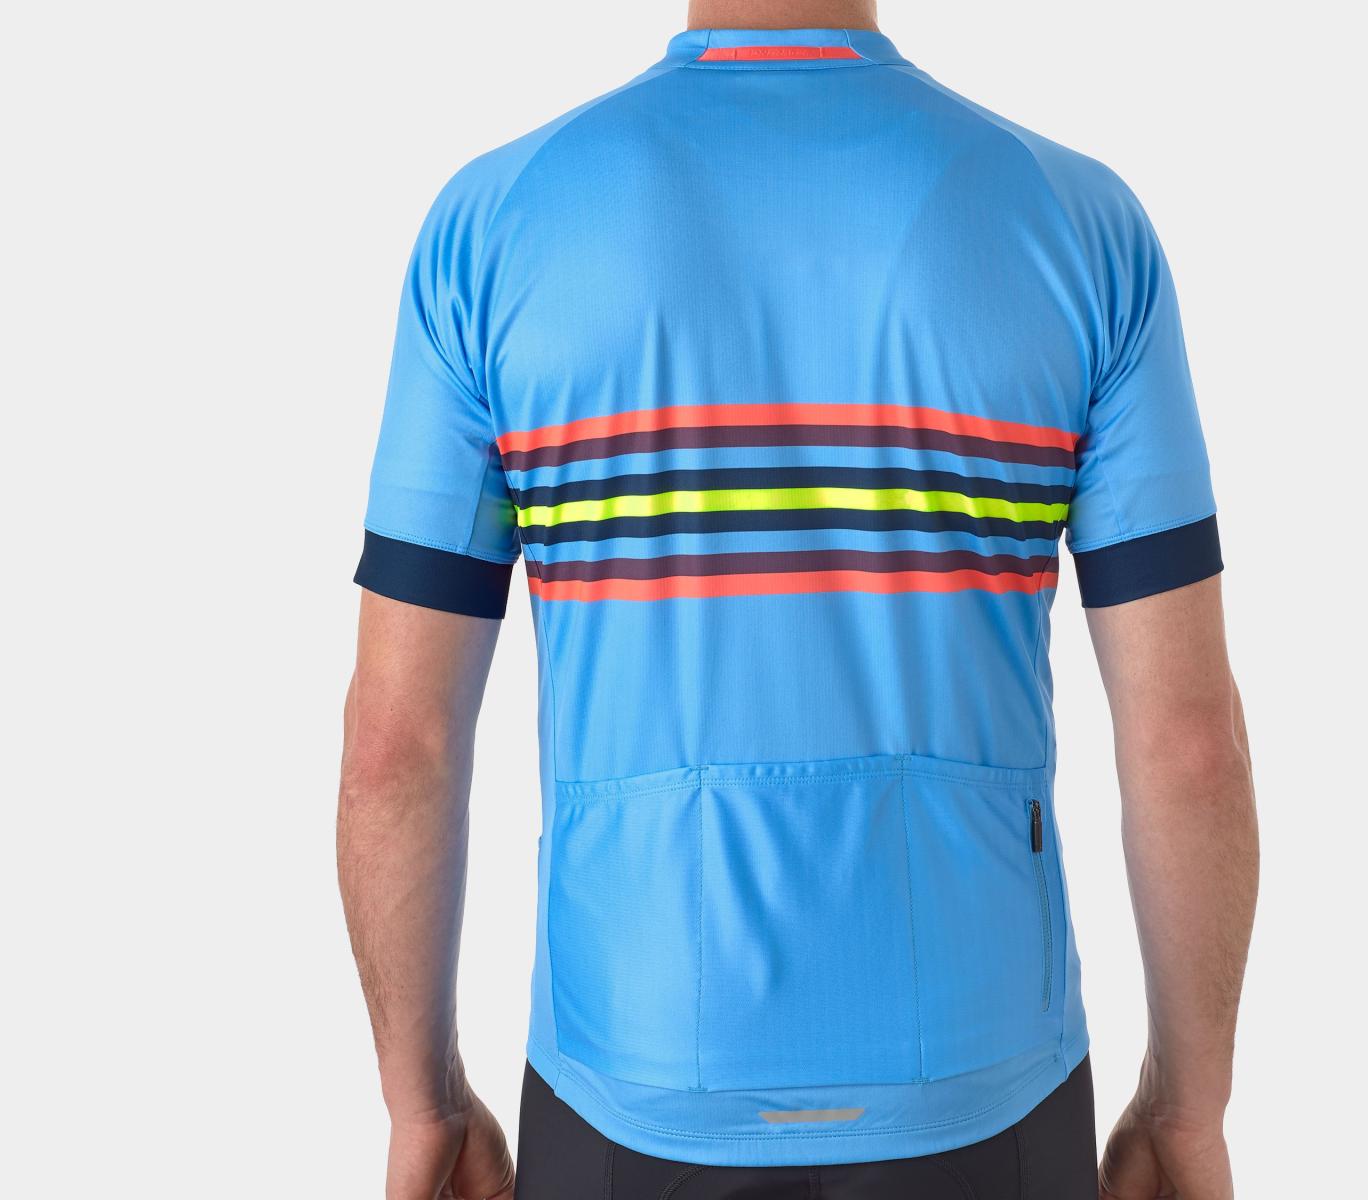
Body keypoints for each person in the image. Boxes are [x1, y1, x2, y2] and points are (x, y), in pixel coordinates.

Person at [338, 2, 1259, 1196]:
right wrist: (1187, 1106)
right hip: (983, 1066)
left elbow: (395, 746)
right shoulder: (1077, 225)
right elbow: (1188, 744)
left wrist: (421, 1104)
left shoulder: (495, 225)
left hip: (628, 1060)